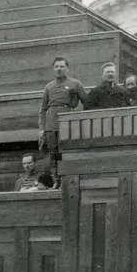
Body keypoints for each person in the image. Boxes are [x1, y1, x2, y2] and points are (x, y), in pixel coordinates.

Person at [39, 57, 87, 188]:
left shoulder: (75, 84)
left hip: (67, 122)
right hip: (51, 124)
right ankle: (57, 181)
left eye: (61, 66)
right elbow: (43, 109)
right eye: (56, 67)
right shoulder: (48, 86)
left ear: (67, 68)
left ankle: (68, 180)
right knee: (53, 153)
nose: (59, 69)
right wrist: (42, 128)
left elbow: (86, 102)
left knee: (66, 151)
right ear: (53, 69)